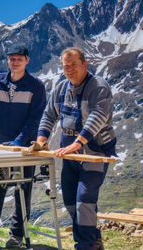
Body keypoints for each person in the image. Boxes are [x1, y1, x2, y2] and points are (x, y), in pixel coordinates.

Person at [31, 47, 116, 250]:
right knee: (70, 199)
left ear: (85, 64)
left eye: (73, 65)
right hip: (69, 152)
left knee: (84, 199)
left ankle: (85, 245)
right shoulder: (61, 88)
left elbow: (98, 116)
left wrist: (78, 143)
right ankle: (93, 240)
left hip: (96, 150)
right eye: (65, 66)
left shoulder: (99, 87)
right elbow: (49, 115)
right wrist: (41, 140)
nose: (69, 70)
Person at [0, 44, 46, 249]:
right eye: (12, 58)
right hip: (1, 146)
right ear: (8, 60)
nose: (15, 61)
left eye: (19, 58)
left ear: (27, 61)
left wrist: (20, 141)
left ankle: (16, 238)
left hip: (25, 149)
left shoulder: (36, 86)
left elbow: (34, 119)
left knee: (23, 189)